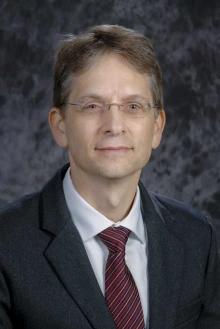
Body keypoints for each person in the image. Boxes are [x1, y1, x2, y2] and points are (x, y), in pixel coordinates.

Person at [0, 25, 219, 329]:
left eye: (133, 106)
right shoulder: (6, 244)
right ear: (60, 124)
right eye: (92, 106)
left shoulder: (197, 237)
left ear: (157, 126)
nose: (114, 125)